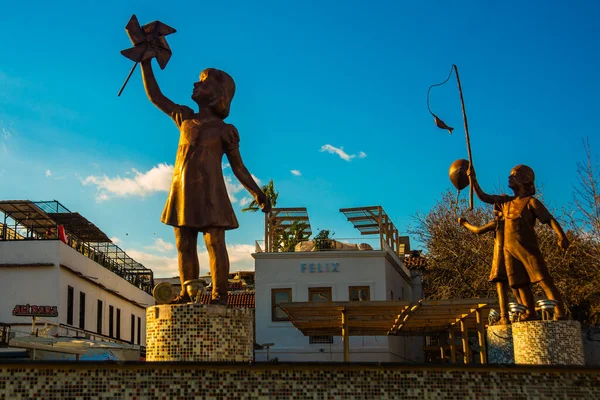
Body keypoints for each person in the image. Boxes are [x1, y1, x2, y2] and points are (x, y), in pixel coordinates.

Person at [139, 58, 271, 304]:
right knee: (184, 245)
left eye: (203, 82)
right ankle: (187, 293)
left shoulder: (225, 129)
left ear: (217, 94)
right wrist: (145, 63)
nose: (195, 84)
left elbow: (238, 167)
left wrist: (256, 192)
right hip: (182, 190)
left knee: (214, 242)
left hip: (211, 193)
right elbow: (156, 96)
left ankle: (219, 294)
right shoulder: (184, 118)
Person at [468, 164, 569, 320]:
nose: (510, 177)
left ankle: (560, 312)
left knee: (543, 280)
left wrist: (561, 236)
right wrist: (473, 180)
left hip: (527, 248)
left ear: (525, 179)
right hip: (509, 250)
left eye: (514, 174)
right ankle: (530, 312)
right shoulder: (505, 202)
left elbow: (549, 219)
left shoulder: (531, 202)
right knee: (520, 283)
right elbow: (484, 197)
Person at [458, 205, 532, 324]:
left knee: (501, 285)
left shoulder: (498, 223)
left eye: (496, 210)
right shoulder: (516, 223)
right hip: (515, 258)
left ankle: (504, 317)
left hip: (501, 258)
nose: (494, 212)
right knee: (516, 285)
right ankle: (525, 311)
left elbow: (477, 230)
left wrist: (464, 223)